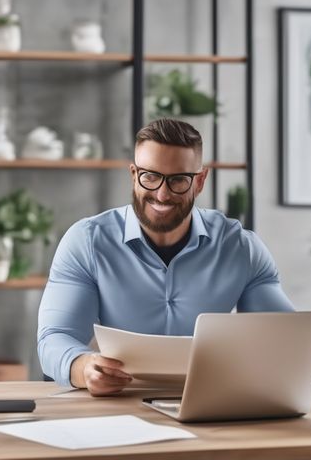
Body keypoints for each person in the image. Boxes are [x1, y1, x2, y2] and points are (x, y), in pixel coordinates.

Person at [38, 118, 294, 396]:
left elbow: (283, 339)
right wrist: (83, 367)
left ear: (200, 181)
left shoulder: (241, 248)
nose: (162, 194)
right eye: (150, 176)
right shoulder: (87, 241)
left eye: (178, 180)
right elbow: (55, 338)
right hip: (121, 400)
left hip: (211, 398)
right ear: (134, 174)